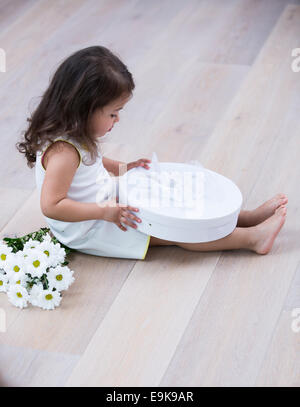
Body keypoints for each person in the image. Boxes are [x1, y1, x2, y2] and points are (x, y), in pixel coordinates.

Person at [16, 46, 288, 260]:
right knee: (178, 229)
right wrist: (103, 212)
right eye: (113, 113)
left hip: (104, 203)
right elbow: (52, 205)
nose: (117, 120)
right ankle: (252, 239)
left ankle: (245, 218)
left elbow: (93, 165)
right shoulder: (63, 152)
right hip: (90, 227)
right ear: (83, 109)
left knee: (169, 199)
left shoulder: (78, 136)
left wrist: (124, 168)